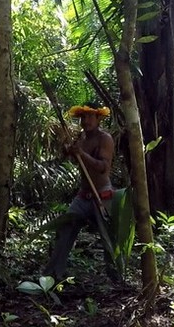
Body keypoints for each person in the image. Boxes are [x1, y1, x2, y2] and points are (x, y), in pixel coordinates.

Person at [44, 102, 119, 282]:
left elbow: (103, 167)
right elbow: (77, 161)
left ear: (98, 118)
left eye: (90, 116)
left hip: (102, 194)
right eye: (83, 117)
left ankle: (116, 277)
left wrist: (82, 154)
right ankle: (51, 275)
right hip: (83, 195)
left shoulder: (105, 139)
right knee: (66, 230)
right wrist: (69, 151)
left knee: (109, 238)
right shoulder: (80, 139)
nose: (86, 120)